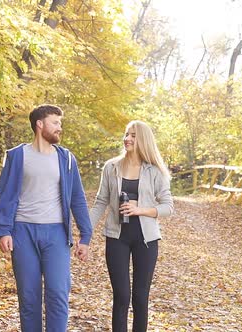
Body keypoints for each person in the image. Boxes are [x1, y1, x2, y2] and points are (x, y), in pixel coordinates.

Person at [0, 104, 92, 332]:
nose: (59, 128)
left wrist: (85, 236)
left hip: (56, 234)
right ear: (40, 124)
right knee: (29, 297)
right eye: (55, 122)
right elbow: (3, 195)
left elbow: (77, 198)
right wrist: (3, 230)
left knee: (58, 293)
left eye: (60, 123)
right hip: (23, 233)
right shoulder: (16, 156)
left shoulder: (66, 158)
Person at [89, 120, 173, 332]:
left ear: (143, 139)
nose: (127, 138)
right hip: (117, 237)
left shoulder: (155, 171)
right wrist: (85, 233)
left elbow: (167, 207)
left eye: (133, 135)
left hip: (146, 239)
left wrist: (140, 209)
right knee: (122, 295)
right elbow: (101, 202)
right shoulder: (111, 167)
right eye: (127, 134)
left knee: (140, 296)